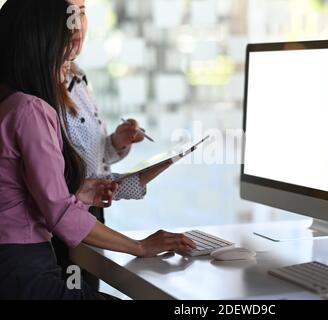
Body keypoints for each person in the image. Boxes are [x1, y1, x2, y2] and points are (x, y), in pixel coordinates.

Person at [0, 0, 195, 300]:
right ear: (40, 44)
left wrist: (77, 194)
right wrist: (140, 246)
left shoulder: (12, 102)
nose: (69, 62)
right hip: (25, 270)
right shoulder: (31, 109)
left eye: (82, 12)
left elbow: (18, 193)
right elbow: (59, 214)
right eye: (64, 54)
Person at [52, 0, 173, 288]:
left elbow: (83, 155)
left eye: (82, 12)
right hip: (60, 229)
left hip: (89, 215)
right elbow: (55, 185)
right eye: (69, 13)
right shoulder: (36, 92)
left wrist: (115, 144)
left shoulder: (75, 75)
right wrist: (139, 245)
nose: (77, 24)